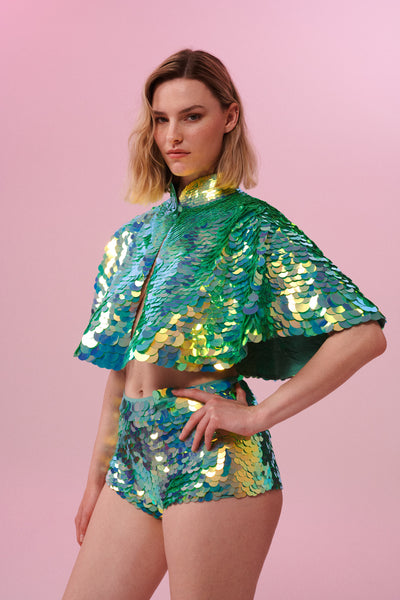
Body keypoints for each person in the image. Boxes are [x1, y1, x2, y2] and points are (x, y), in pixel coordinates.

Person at [62, 49, 387, 600]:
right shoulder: (132, 238)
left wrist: (258, 416)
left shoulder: (252, 226)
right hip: (132, 461)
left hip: (211, 460)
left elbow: (364, 335)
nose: (173, 136)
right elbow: (121, 371)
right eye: (161, 119)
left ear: (229, 117)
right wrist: (97, 479)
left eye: (192, 116)